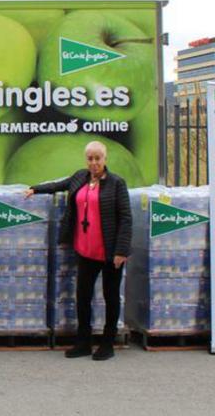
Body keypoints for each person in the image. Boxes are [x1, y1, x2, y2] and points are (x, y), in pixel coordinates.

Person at [24, 140, 132, 361]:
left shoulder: (116, 183)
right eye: (90, 158)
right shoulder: (80, 177)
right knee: (82, 297)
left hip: (110, 252)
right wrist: (35, 188)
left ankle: (107, 343)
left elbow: (126, 219)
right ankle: (83, 342)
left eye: (97, 158)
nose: (93, 163)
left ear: (105, 159)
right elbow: (58, 185)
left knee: (111, 297)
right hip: (85, 250)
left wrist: (121, 250)